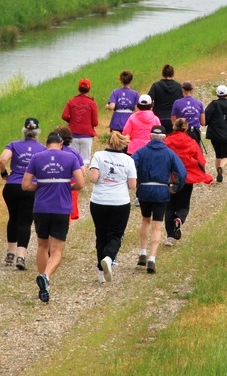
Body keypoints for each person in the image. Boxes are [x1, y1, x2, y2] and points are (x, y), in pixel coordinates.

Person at [22, 131, 85, 303]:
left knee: (42, 246)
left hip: (41, 207)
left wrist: (41, 186)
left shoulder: (36, 157)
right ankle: (46, 277)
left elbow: (26, 184)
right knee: (57, 250)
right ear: (61, 144)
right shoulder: (70, 157)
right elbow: (81, 183)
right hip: (61, 208)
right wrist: (68, 187)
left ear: (46, 143)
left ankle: (43, 286)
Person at [132, 125, 186, 274]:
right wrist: (175, 187)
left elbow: (130, 165)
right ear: (164, 138)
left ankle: (142, 252)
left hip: (144, 190)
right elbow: (181, 172)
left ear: (150, 137)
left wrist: (135, 182)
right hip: (161, 190)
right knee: (157, 225)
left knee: (145, 220)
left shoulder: (141, 152)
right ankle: (152, 258)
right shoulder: (169, 153)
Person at [87, 131, 137, 283]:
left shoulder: (99, 156)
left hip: (99, 201)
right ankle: (109, 257)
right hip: (119, 202)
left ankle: (101, 273)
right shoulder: (128, 160)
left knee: (101, 234)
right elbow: (132, 185)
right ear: (123, 144)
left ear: (108, 142)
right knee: (115, 235)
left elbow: (93, 178)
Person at [0, 117, 45, 270]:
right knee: (25, 221)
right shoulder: (42, 148)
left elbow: (2, 160)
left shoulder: (13, 145)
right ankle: (21, 256)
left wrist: (4, 173)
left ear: (24, 130)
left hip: (12, 186)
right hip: (29, 187)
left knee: (13, 218)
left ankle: (10, 253)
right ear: (37, 132)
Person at [163, 118, 213, 246]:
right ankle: (179, 219)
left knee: (169, 207)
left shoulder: (167, 141)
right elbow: (201, 160)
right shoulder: (191, 142)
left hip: (171, 178)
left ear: (174, 127)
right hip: (187, 178)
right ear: (185, 128)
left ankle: (169, 237)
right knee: (184, 205)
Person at [61, 78, 98, 166]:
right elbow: (95, 123)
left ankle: (73, 178)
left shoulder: (71, 101)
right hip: (87, 135)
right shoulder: (91, 103)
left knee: (72, 157)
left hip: (73, 134)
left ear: (79, 88)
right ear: (89, 89)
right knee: (84, 160)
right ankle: (81, 178)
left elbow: (64, 116)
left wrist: (72, 121)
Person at [54, 125, 84, 221]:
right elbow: (82, 171)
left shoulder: (51, 151)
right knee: (67, 214)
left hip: (52, 183)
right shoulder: (73, 152)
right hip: (70, 183)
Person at [148, 64, 183, 132]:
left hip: (158, 118)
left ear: (163, 74)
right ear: (173, 74)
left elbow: (148, 100)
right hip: (174, 119)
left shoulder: (156, 86)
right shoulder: (179, 86)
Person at [170, 81, 205, 146]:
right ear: (192, 90)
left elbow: (173, 121)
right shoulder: (199, 103)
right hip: (194, 132)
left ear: (182, 90)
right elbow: (203, 122)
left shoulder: (177, 103)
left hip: (182, 132)